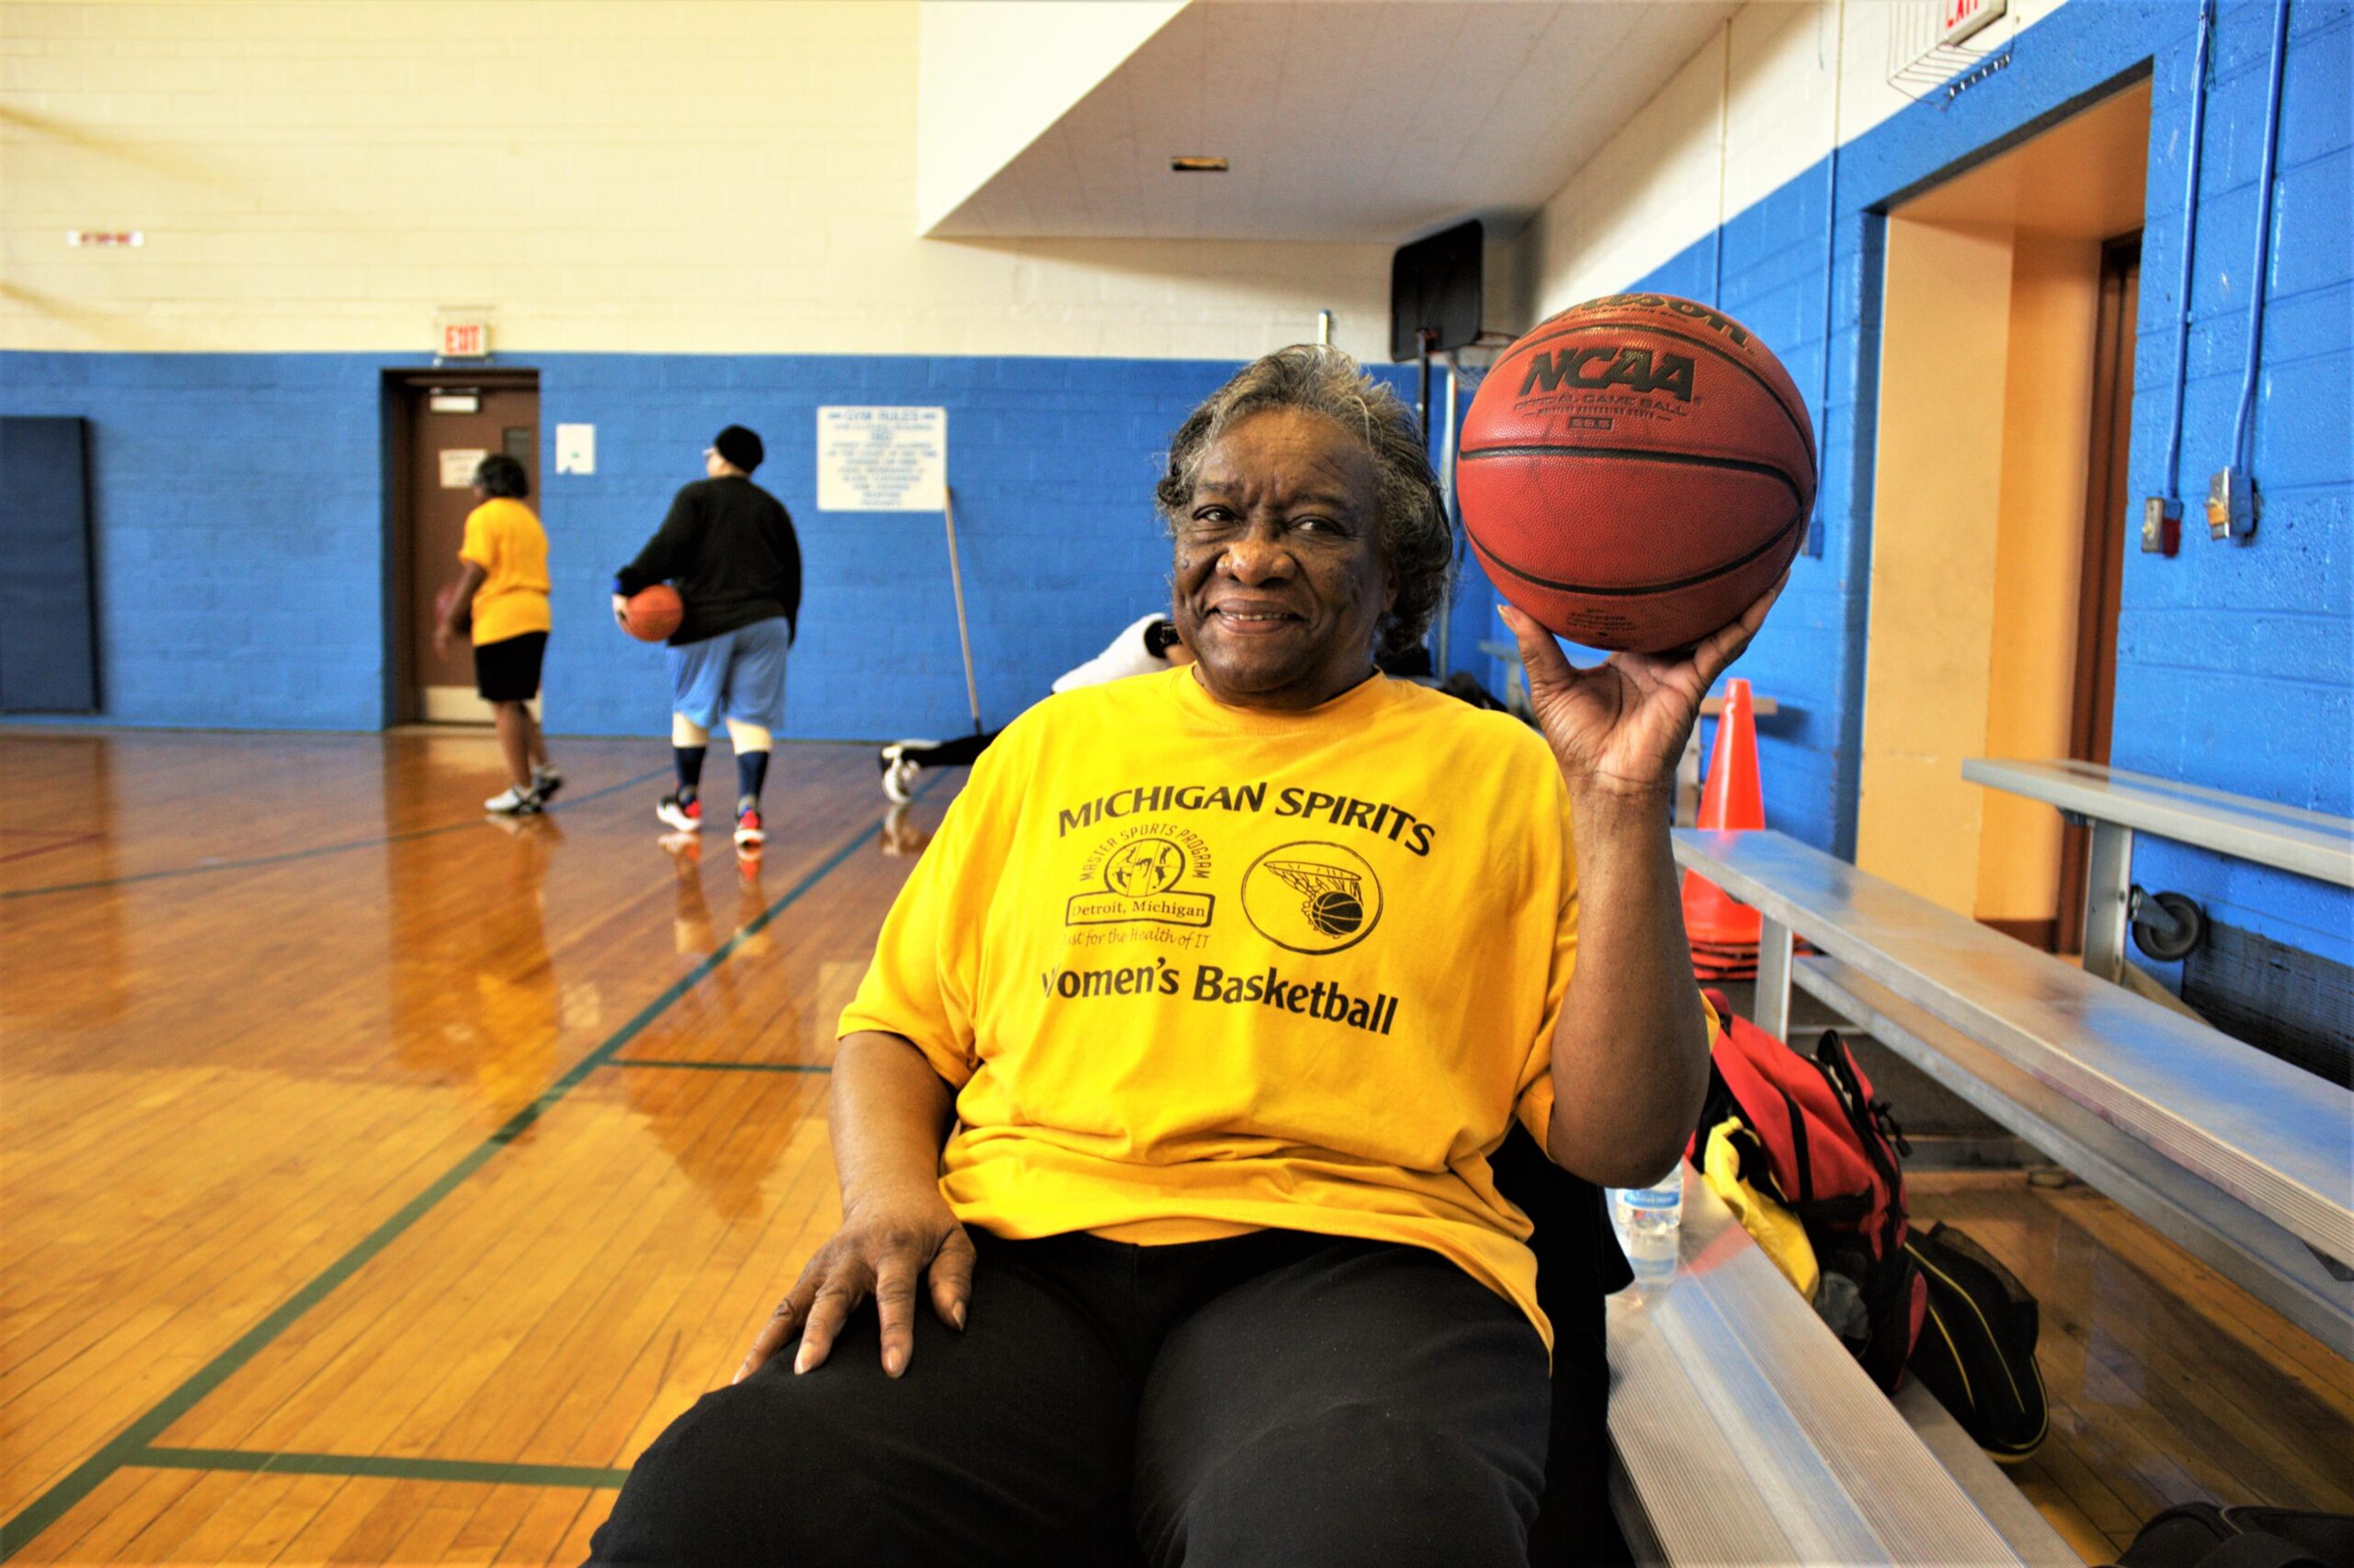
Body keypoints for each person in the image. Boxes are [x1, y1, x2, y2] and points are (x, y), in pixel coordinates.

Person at [587, 346, 1775, 1566]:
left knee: (1366, 1534)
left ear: (1399, 578)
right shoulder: (1053, 747)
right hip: (1020, 1264)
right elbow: (897, 1026)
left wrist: (1625, 804)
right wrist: (890, 1198)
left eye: (1315, 524)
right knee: (719, 1503)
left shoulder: (1504, 770)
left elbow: (1621, 1140)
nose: (1252, 554)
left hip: (1360, 1263)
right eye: (1218, 514)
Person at [614, 424, 802, 851]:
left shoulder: (696, 496)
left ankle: (688, 804)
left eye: (709, 453)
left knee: (691, 711)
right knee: (752, 718)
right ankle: (749, 812)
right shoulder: (773, 508)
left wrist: (625, 583)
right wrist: (785, 627)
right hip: (766, 622)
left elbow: (668, 546)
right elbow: (793, 574)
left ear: (720, 456)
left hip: (703, 621)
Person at [877, 612, 1193, 803]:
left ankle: (918, 754)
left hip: (1094, 713)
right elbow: (1190, 679)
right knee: (999, 750)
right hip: (1072, 704)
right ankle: (907, 756)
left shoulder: (1164, 627)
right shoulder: (1165, 629)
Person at [436, 453, 560, 815]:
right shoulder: (528, 519)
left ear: (486, 485)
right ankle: (544, 768)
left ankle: (522, 789)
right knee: (517, 699)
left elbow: (476, 571)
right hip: (536, 615)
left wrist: (449, 621)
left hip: (502, 618)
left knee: (503, 704)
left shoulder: (484, 517)